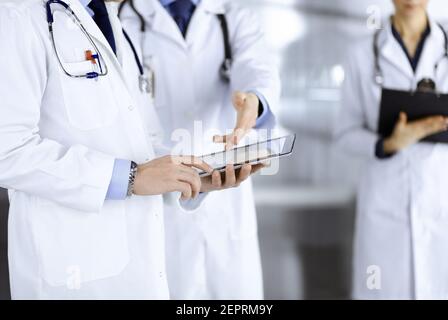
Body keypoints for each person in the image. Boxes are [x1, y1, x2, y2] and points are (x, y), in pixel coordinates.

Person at [0, 0, 258, 299]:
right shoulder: (16, 15)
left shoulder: (107, 17)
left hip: (140, 267)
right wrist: (129, 177)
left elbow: (139, 138)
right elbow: (7, 150)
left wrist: (194, 175)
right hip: (73, 268)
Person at [120, 0, 280, 299]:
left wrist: (254, 100)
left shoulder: (232, 15)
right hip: (158, 205)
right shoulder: (125, 18)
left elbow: (258, 69)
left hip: (226, 206)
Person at [335, 0, 448, 299]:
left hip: (442, 204)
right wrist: (388, 144)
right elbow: (345, 134)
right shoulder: (361, 53)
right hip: (385, 209)